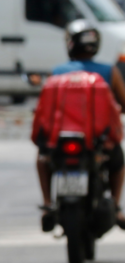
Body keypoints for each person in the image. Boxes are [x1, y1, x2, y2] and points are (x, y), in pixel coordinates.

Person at [39, 20, 125, 230]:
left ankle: (48, 204)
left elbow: (45, 108)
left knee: (43, 159)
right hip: (98, 141)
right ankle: (116, 206)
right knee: (118, 161)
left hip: (60, 141)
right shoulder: (108, 71)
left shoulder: (57, 72)